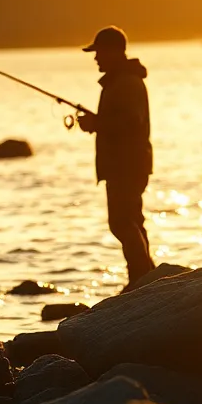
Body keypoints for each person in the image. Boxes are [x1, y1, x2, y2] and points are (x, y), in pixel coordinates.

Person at [75, 26, 156, 288]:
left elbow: (131, 122)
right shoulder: (120, 80)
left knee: (122, 222)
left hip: (127, 165)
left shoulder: (127, 82)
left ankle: (141, 277)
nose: (96, 58)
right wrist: (97, 123)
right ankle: (147, 276)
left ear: (113, 51)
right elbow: (120, 121)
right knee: (131, 220)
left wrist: (97, 124)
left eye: (98, 52)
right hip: (125, 164)